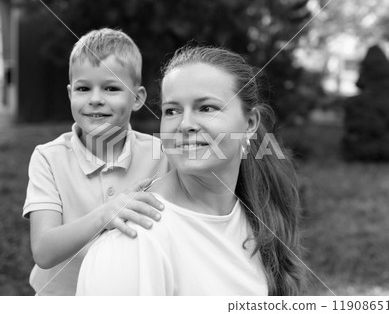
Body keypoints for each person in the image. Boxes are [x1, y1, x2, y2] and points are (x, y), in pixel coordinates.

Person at [76, 46, 305, 296]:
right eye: (171, 111)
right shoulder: (135, 241)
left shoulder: (258, 216)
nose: (185, 125)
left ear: (249, 124)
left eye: (206, 108)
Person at [22, 28, 169, 295]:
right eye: (83, 88)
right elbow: (43, 251)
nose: (95, 99)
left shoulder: (162, 154)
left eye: (111, 88)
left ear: (137, 98)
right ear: (70, 94)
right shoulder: (48, 157)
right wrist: (106, 213)